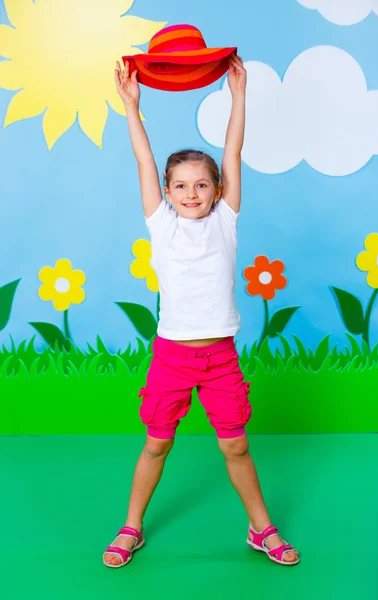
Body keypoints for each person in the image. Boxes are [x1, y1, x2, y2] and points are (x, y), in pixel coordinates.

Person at [103, 56, 300, 568]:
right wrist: (132, 106)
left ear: (218, 191)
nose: (192, 193)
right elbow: (144, 161)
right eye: (181, 186)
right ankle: (131, 526)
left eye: (202, 185)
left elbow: (232, 150)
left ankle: (262, 529)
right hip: (171, 358)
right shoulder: (161, 224)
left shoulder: (226, 221)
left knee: (236, 448)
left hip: (220, 360)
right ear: (167, 193)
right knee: (156, 445)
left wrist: (239, 97)